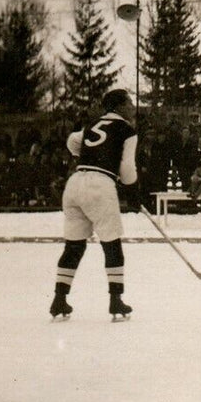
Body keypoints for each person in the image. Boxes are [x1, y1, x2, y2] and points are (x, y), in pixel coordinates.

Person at [50, 88, 139, 321]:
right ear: (118, 106)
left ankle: (59, 299)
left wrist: (92, 155)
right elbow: (127, 169)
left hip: (75, 184)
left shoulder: (93, 124)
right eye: (129, 102)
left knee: (74, 247)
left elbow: (73, 141)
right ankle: (116, 301)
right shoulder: (127, 130)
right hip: (100, 186)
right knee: (111, 244)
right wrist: (133, 191)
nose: (132, 106)